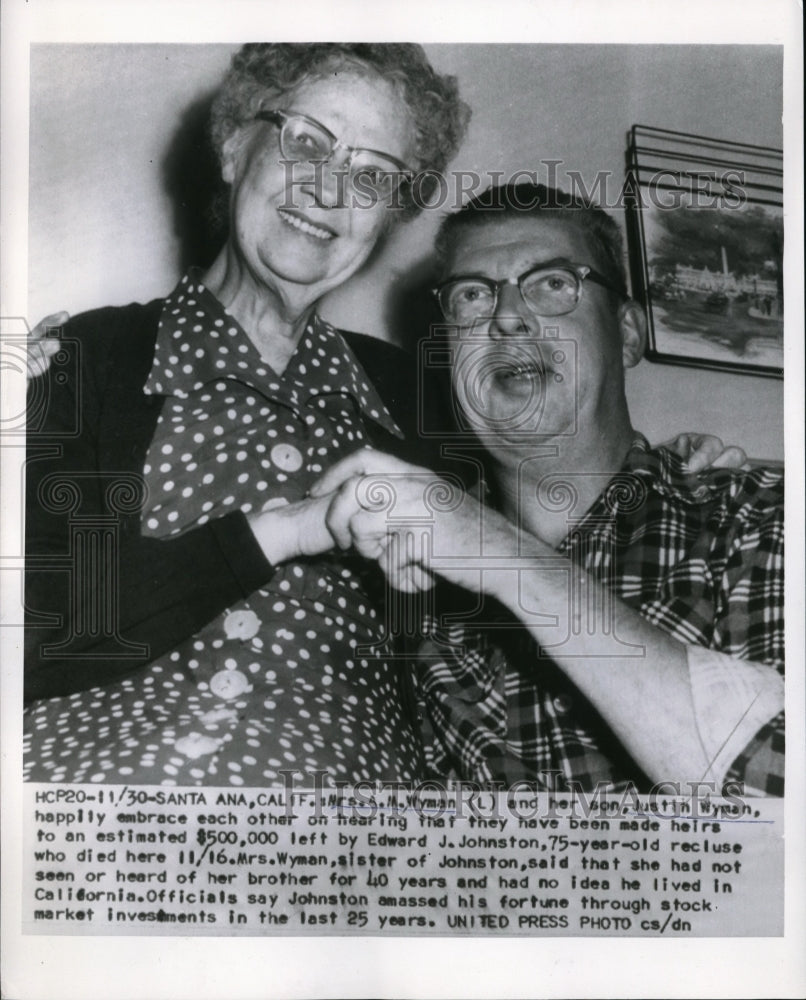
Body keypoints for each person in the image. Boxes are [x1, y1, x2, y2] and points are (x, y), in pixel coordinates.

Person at [23, 42, 470, 786]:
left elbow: (537, 542)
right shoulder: (84, 357)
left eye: (371, 176)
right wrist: (290, 530)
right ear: (235, 148)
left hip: (339, 836)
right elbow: (29, 634)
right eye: (307, 143)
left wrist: (684, 462)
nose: (331, 191)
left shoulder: (418, 395)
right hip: (92, 788)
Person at [312, 182, 784, 796]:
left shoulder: (757, 517)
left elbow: (782, 794)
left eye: (554, 283)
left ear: (629, 333)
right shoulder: (400, 584)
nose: (506, 316)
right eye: (472, 295)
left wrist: (506, 558)